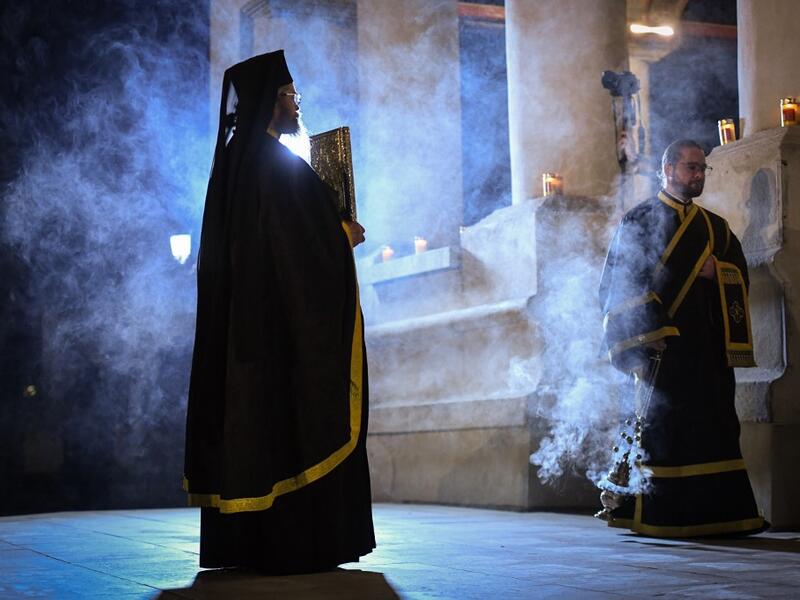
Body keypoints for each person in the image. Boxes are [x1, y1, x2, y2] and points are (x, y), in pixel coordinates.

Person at [183, 50, 375, 573]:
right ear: (269, 101)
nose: (296, 104)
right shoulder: (272, 164)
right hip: (279, 332)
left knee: (255, 427)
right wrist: (342, 234)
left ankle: (248, 544)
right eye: (290, 95)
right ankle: (295, 543)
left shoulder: (237, 163)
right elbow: (297, 248)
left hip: (248, 332)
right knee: (293, 420)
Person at [598, 139, 766, 537]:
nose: (698, 175)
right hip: (662, 349)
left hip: (707, 350)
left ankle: (719, 515)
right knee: (665, 431)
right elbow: (620, 283)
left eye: (703, 169)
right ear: (669, 169)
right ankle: (662, 515)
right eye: (691, 167)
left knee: (715, 428)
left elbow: (739, 275)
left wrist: (719, 273)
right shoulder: (638, 220)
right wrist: (646, 333)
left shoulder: (715, 227)